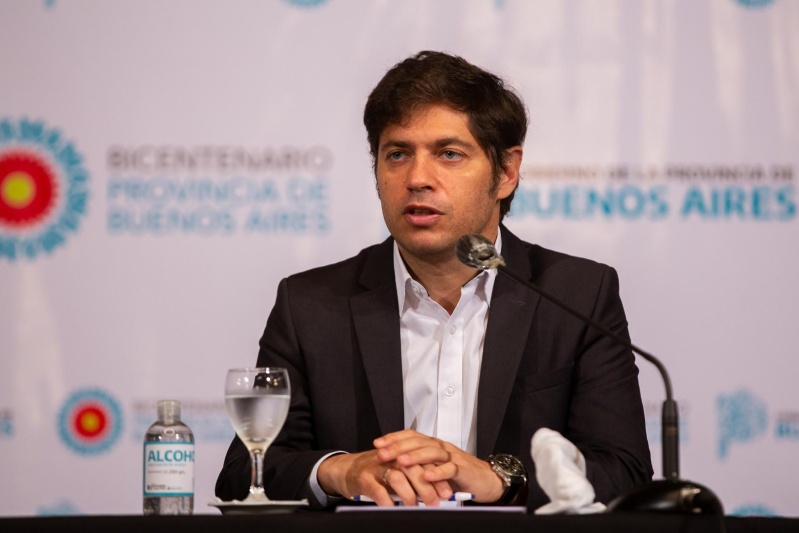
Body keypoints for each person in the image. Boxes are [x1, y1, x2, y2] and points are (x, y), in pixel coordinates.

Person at [216, 50, 653, 510]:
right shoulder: (310, 305)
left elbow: (623, 471)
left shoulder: (576, 296)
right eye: (397, 154)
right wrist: (341, 471)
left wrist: (500, 478)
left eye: (449, 154)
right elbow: (243, 474)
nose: (418, 178)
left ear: (506, 172)